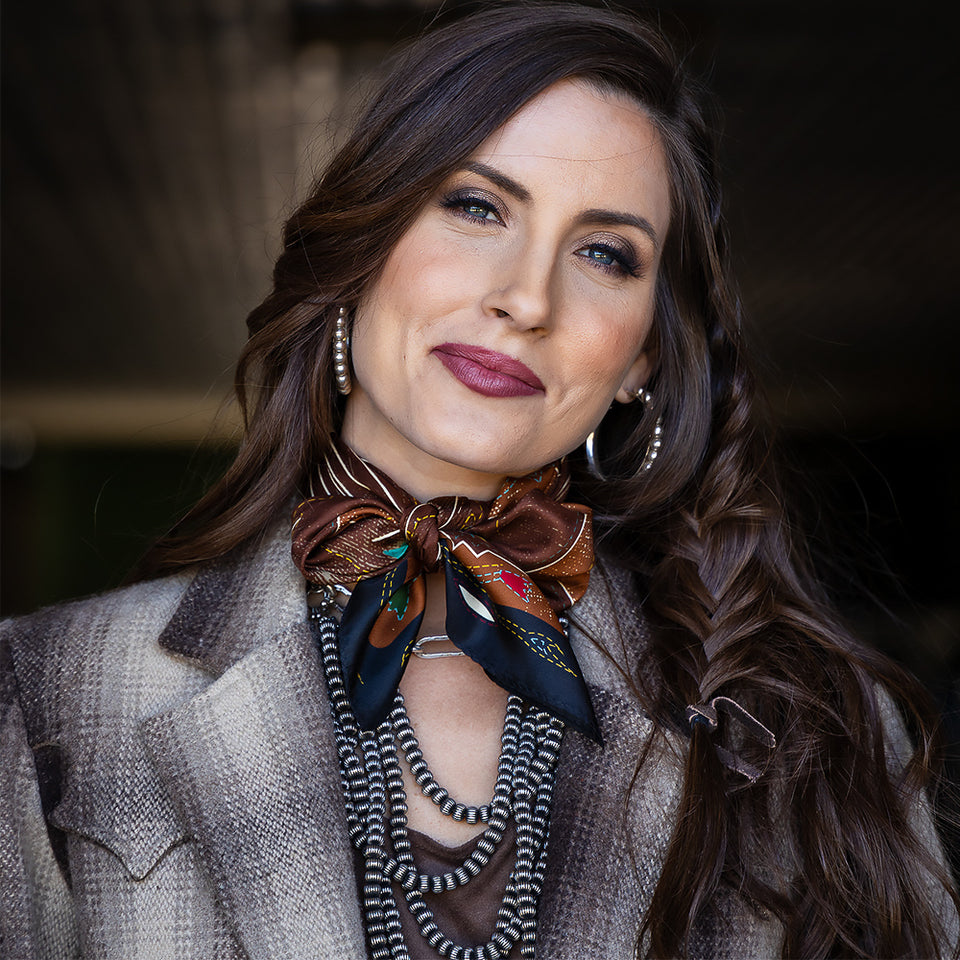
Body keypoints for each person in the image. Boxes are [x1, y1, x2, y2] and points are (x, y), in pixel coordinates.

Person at [2, 4, 958, 958]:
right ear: (362, 247)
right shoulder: (49, 693)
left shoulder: (816, 730)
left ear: (642, 360)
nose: (527, 298)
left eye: (604, 254)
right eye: (476, 207)